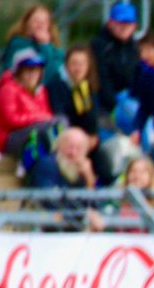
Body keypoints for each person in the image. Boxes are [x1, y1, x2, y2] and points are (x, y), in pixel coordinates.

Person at [45, 45, 114, 185]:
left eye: (82, 64)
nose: (78, 68)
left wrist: (92, 135)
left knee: (104, 165)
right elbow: (59, 114)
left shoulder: (88, 87)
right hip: (65, 137)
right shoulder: (56, 84)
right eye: (74, 63)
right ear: (67, 65)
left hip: (86, 139)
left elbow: (91, 116)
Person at [26, 127, 105, 231]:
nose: (73, 153)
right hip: (45, 230)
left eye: (79, 149)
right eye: (69, 146)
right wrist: (84, 213)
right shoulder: (47, 164)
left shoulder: (84, 171)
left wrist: (89, 180)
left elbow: (97, 208)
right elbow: (50, 202)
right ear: (59, 146)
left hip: (73, 230)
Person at [0, 48, 57, 159]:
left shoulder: (41, 91)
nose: (32, 75)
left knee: (60, 122)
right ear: (19, 72)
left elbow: (48, 115)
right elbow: (11, 120)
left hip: (35, 134)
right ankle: (29, 162)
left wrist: (44, 119)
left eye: (36, 70)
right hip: (8, 138)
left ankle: (46, 160)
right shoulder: (8, 89)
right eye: (28, 70)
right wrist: (39, 118)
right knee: (43, 129)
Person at [91, 2, 140, 118]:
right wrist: (113, 104)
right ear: (110, 23)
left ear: (135, 26)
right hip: (106, 105)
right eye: (119, 23)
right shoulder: (99, 46)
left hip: (131, 99)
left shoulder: (135, 47)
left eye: (128, 23)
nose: (124, 27)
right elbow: (101, 79)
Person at [2, 4, 65, 85]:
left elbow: (51, 74)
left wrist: (45, 45)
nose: (40, 25)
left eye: (44, 22)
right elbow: (10, 70)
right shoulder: (17, 44)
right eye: (36, 21)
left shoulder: (57, 50)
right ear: (27, 23)